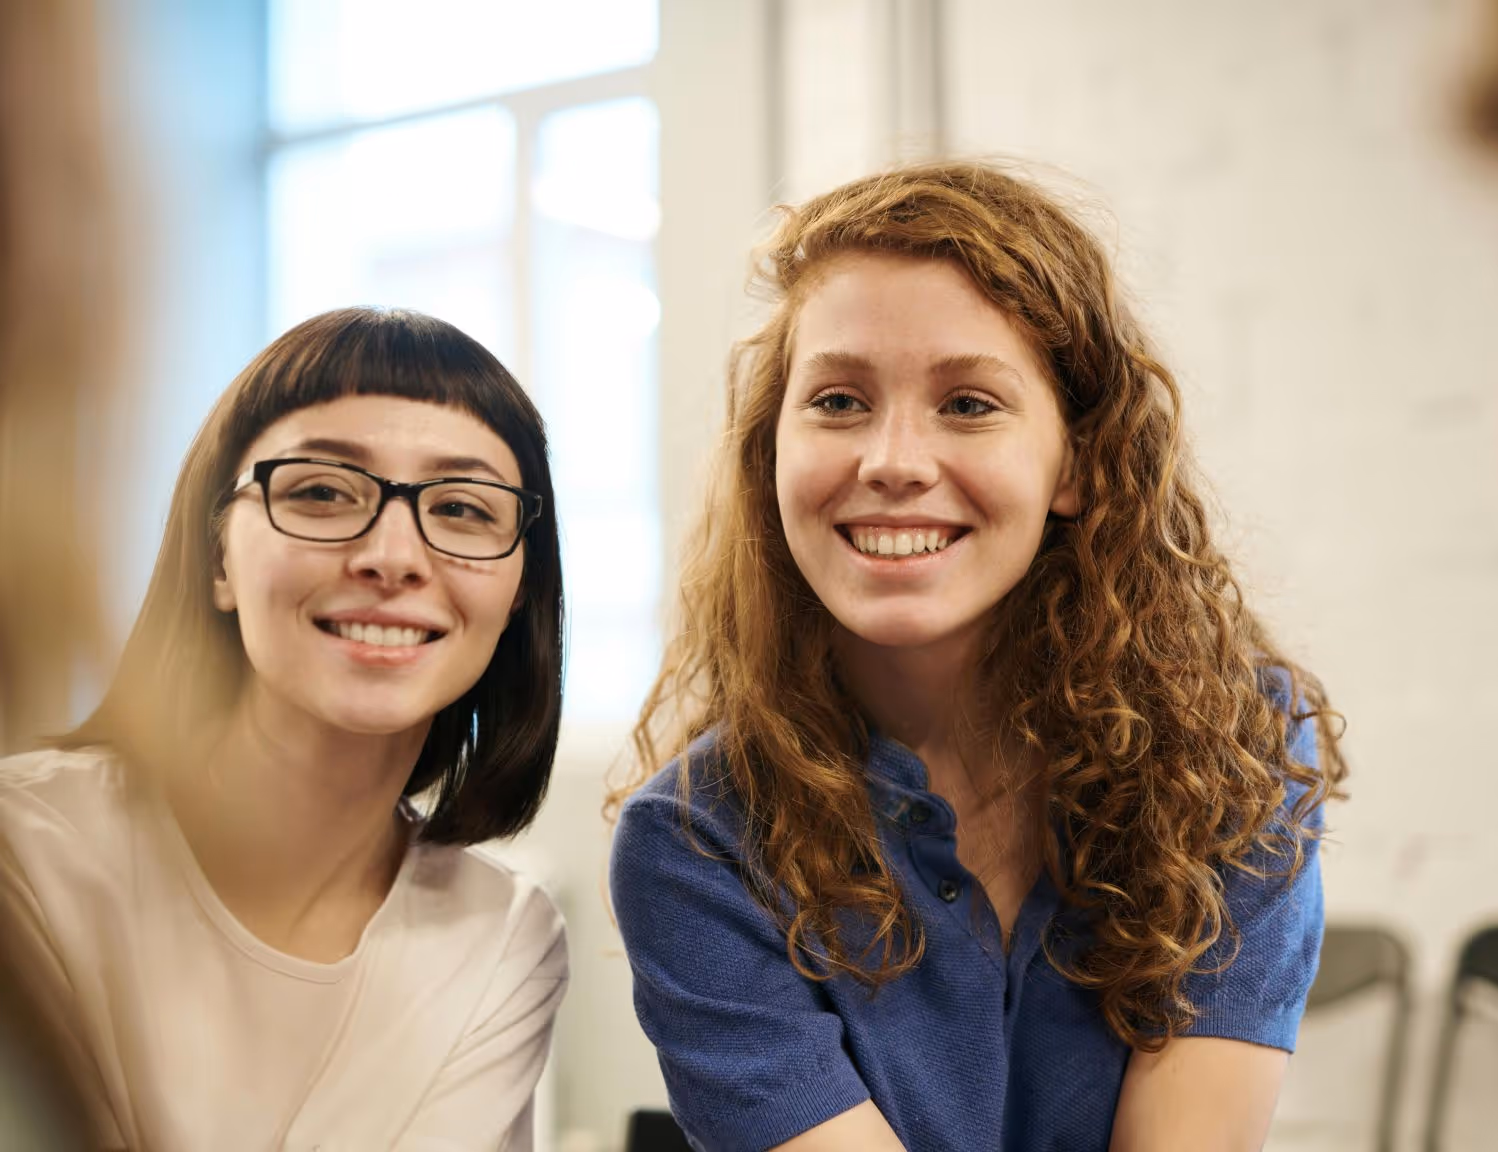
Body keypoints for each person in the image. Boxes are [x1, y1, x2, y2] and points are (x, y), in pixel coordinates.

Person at [608, 162, 1348, 1151]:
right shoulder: (697, 843)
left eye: (968, 404)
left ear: (1078, 464)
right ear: (769, 455)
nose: (892, 461)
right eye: (836, 401)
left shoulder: (1238, 754)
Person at [0, 307, 568, 1150]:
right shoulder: (28, 851)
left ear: (518, 591)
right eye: (322, 493)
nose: (394, 555)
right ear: (220, 557)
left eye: (461, 509)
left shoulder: (499, 936)